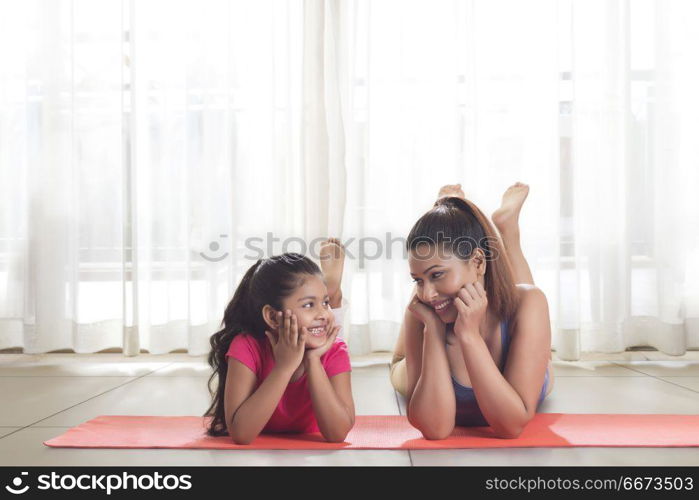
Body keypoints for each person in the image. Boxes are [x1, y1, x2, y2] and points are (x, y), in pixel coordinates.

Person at [390, 183, 555, 439]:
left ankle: (508, 233)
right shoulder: (423, 309)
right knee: (401, 361)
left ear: (478, 261)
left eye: (437, 274)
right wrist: (432, 331)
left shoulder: (531, 303)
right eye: (417, 280)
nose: (427, 293)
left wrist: (469, 336)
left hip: (509, 305)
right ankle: (449, 209)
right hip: (420, 357)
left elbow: (511, 426)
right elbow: (434, 429)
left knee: (521, 295)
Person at [204, 240, 354, 444]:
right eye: (309, 304)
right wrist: (284, 368)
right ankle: (331, 292)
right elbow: (241, 434)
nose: (322, 313)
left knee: (328, 330)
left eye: (325, 303)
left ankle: (333, 292)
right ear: (273, 317)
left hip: (319, 345)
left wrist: (313, 360)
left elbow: (337, 434)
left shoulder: (335, 350)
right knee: (320, 325)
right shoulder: (245, 346)